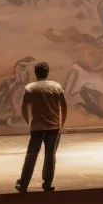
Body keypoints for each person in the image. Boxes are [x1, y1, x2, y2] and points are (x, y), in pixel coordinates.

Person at [15, 61, 67, 193]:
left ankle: (24, 183)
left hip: (37, 127)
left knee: (31, 155)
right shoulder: (57, 87)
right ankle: (47, 183)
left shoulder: (30, 88)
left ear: (35, 73)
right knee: (50, 156)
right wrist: (61, 123)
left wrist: (29, 123)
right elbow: (64, 107)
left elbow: (24, 108)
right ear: (47, 72)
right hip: (54, 126)